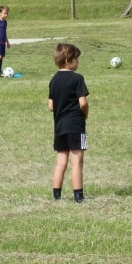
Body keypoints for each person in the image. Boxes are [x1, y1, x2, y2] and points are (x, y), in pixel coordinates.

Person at [48, 43, 89, 203]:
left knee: (61, 162)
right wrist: (84, 114)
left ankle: (56, 195)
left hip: (59, 127)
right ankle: (78, 196)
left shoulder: (54, 80)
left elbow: (51, 106)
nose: (78, 62)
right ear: (68, 60)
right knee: (77, 161)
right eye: (76, 59)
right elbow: (83, 103)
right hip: (76, 126)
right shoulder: (77, 78)